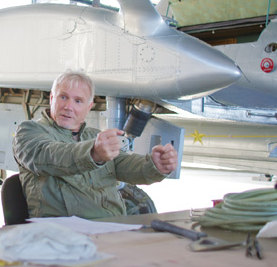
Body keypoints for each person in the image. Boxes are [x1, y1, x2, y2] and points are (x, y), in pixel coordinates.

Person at [13, 70, 178, 219]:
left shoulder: (94, 136)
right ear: (51, 98)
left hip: (113, 226)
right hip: (63, 235)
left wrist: (154, 166)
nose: (68, 107)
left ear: (88, 107)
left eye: (78, 101)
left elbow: (124, 164)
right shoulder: (28, 132)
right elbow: (49, 155)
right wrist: (92, 153)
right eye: (63, 97)